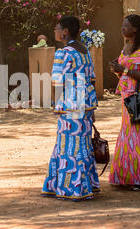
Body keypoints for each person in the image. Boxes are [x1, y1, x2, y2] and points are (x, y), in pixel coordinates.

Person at [41, 15, 100, 201]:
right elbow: (92, 78)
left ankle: (71, 188)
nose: (55, 31)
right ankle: (87, 185)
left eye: (57, 28)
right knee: (82, 144)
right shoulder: (84, 51)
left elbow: (57, 81)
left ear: (65, 31)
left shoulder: (64, 52)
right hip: (85, 102)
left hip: (70, 103)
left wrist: (56, 105)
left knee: (68, 146)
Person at [109, 14, 140, 191]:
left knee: (136, 134)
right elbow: (125, 71)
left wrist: (124, 69)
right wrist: (117, 70)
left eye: (126, 26)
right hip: (126, 94)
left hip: (139, 96)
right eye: (122, 25)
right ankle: (126, 176)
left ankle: (138, 177)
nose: (122, 28)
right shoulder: (127, 47)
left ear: (135, 29)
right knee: (128, 134)